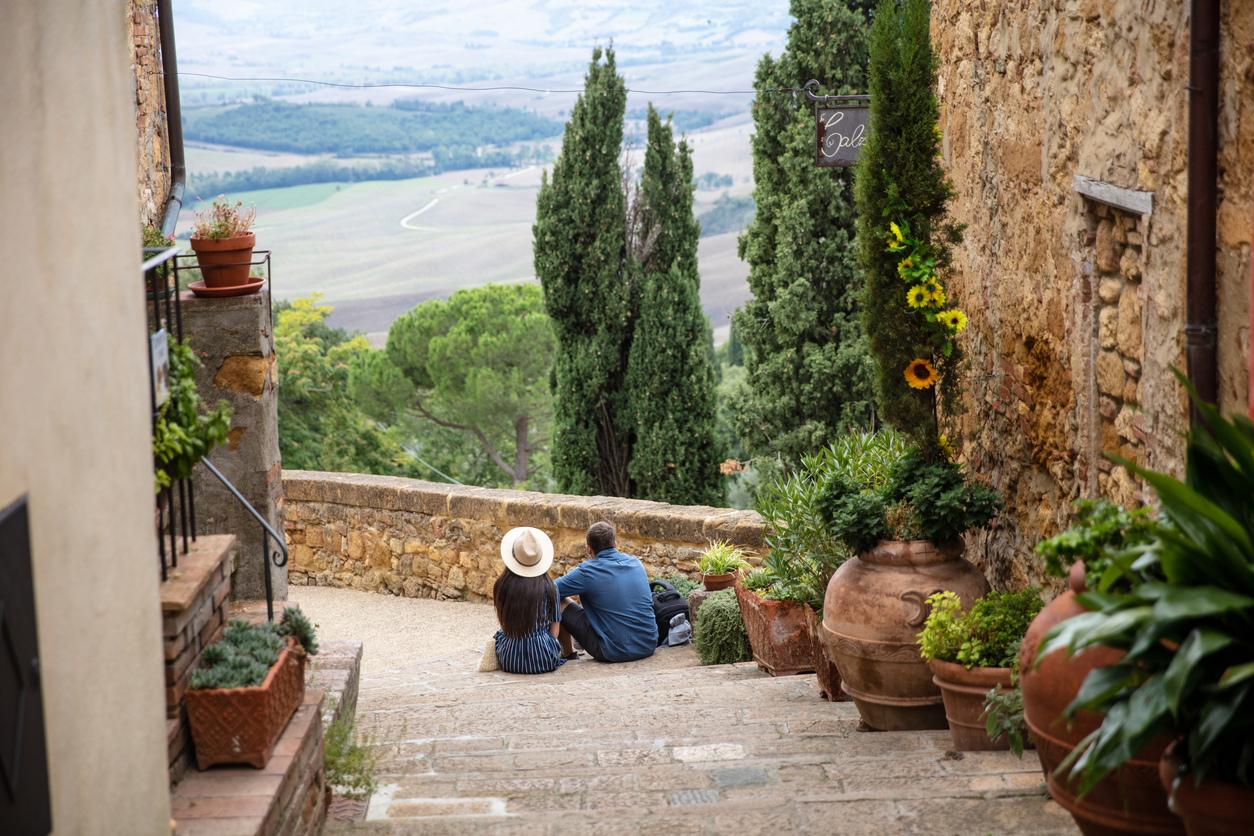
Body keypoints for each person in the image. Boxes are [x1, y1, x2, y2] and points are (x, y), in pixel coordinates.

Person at [556, 521, 657, 663]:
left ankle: (568, 653)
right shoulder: (636, 563)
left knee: (557, 599)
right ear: (615, 544)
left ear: (588, 549)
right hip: (648, 645)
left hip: (613, 651)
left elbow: (549, 589)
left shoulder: (587, 571)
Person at [492, 527, 566, 675]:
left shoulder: (501, 585)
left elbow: (504, 625)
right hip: (544, 658)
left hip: (510, 659)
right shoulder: (550, 587)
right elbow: (555, 631)